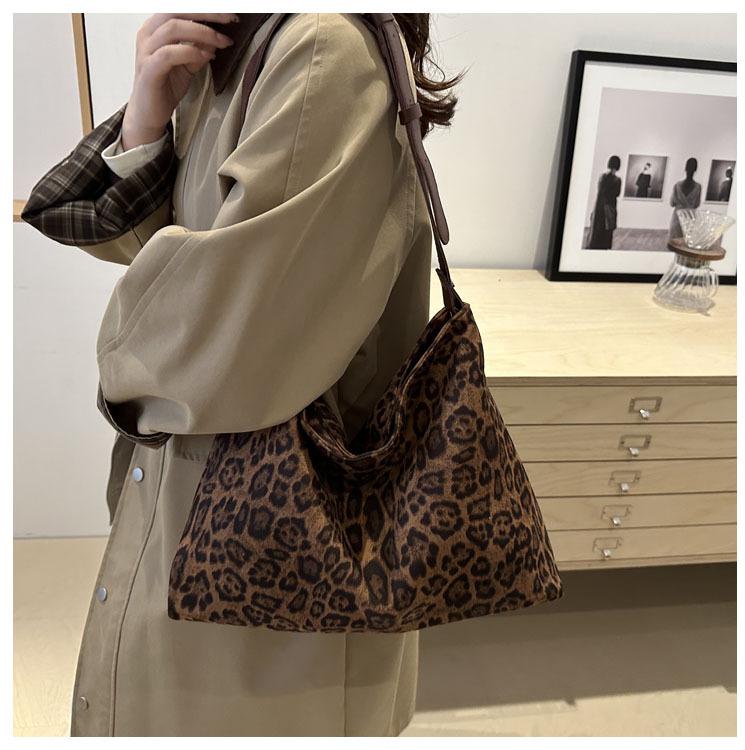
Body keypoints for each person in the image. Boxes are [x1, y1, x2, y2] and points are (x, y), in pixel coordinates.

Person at [21, 13, 461, 737]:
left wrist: (127, 354)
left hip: (275, 538)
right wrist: (148, 120)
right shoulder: (234, 49)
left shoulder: (318, 48)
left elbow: (219, 334)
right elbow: (155, 253)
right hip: (211, 506)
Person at [587, 154, 622, 249]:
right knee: (607, 228)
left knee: (599, 227)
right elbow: (616, 193)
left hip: (600, 206)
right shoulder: (617, 180)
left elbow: (601, 191)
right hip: (608, 206)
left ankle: (595, 245)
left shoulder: (602, 177)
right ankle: (604, 246)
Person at [669, 157, 702, 239]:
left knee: (675, 241)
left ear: (685, 168)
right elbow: (697, 204)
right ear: (695, 169)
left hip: (677, 216)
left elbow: (672, 203)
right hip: (690, 216)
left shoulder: (677, 185)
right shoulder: (698, 187)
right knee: (687, 241)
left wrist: (680, 203)